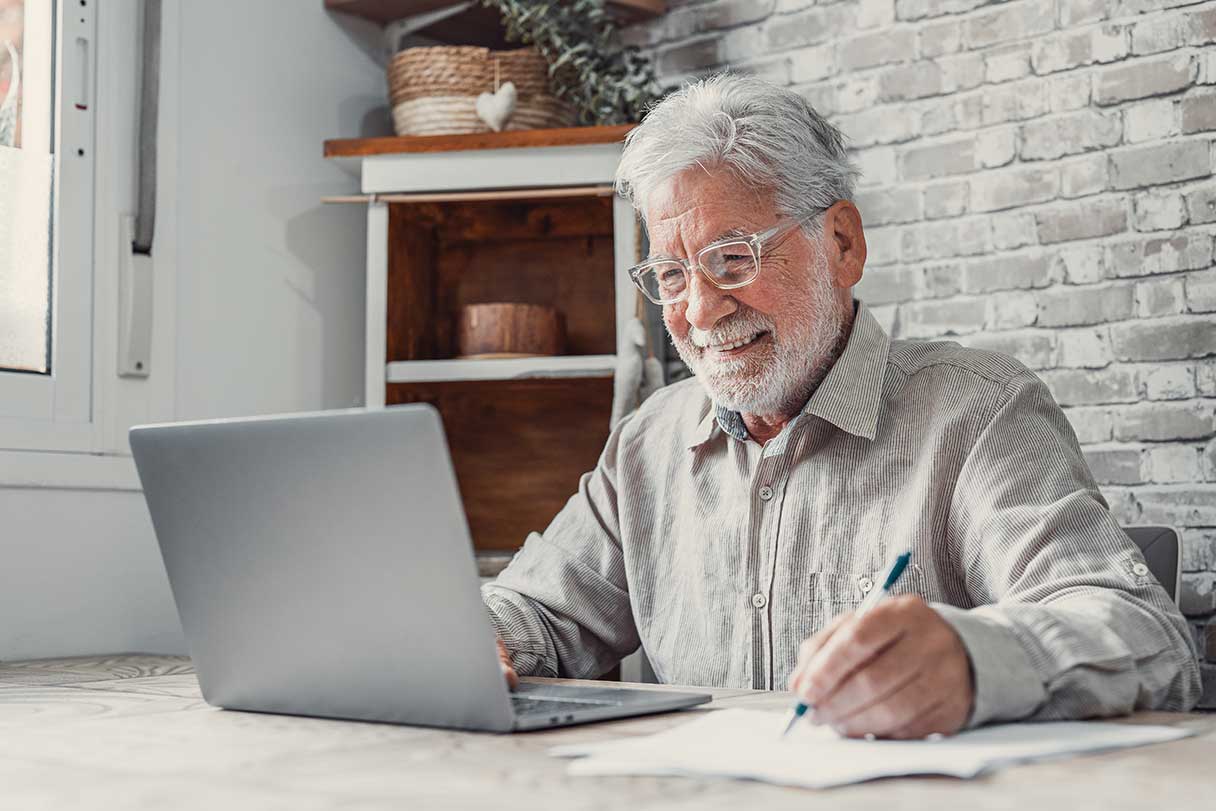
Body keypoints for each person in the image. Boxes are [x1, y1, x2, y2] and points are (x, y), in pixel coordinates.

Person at [482, 74, 1201, 738]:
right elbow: (536, 608)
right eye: (671, 273)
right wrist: (485, 635)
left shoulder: (979, 412)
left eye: (733, 258)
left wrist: (977, 659)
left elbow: (1148, 636)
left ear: (843, 244)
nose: (699, 309)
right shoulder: (647, 443)